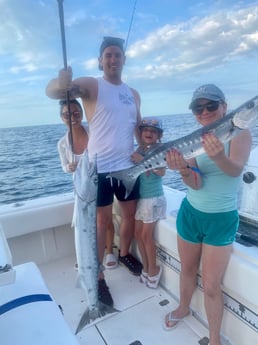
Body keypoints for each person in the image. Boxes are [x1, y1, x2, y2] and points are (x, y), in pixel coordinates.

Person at [46, 36, 143, 306]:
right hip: (98, 170)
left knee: (129, 215)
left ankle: (124, 253)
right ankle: (98, 277)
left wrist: (144, 148)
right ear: (100, 61)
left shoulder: (133, 93)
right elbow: (54, 93)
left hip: (128, 167)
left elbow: (137, 125)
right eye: (108, 55)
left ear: (124, 59)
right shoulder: (92, 85)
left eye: (117, 55)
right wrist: (60, 82)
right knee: (99, 224)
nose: (113, 59)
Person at [163, 84, 252, 345]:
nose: (205, 112)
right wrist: (183, 170)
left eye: (211, 105)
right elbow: (196, 183)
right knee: (187, 269)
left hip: (221, 219)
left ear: (224, 106)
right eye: (198, 108)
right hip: (190, 214)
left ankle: (215, 339)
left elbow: (235, 170)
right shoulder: (193, 139)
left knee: (212, 285)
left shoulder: (240, 133)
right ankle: (183, 307)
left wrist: (218, 157)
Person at [58, 99, 118, 272]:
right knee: (85, 223)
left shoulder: (93, 133)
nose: (72, 117)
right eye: (67, 114)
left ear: (82, 114)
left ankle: (109, 252)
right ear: (62, 118)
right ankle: (87, 256)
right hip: (81, 189)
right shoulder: (62, 143)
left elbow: (107, 151)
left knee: (105, 219)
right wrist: (68, 167)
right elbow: (63, 166)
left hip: (101, 181)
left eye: (76, 112)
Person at [131, 118, 167, 289]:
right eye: (145, 130)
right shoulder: (140, 149)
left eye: (153, 131)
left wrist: (142, 161)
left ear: (159, 135)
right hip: (141, 198)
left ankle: (153, 268)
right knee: (137, 234)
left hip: (154, 198)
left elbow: (161, 172)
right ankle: (145, 267)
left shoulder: (160, 149)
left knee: (146, 236)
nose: (149, 133)